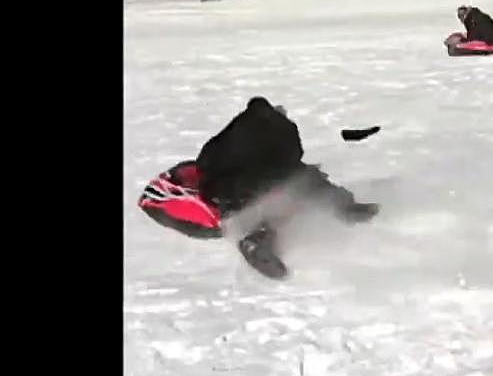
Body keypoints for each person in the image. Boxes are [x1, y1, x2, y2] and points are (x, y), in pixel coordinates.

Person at [138, 96, 379, 279]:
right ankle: (257, 237)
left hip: (210, 191)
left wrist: (340, 203)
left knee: (286, 185)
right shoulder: (227, 166)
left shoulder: (247, 155)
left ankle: (333, 208)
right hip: (193, 198)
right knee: (273, 189)